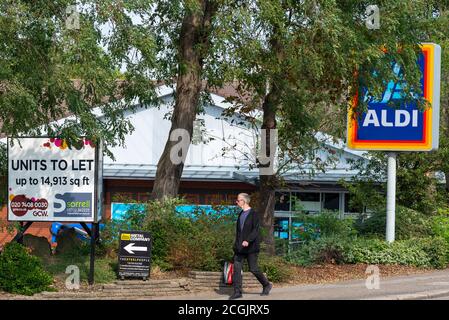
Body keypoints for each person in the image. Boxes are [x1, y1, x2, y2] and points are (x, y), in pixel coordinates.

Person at [230, 193, 272, 300]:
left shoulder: (254, 214)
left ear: (244, 201)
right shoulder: (240, 214)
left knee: (253, 268)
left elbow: (256, 230)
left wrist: (248, 240)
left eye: (238, 200)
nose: (237, 202)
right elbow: (239, 232)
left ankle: (266, 284)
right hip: (240, 248)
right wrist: (236, 244)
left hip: (251, 247)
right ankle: (237, 292)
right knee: (237, 268)